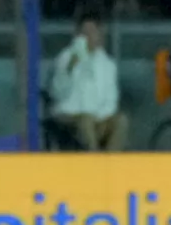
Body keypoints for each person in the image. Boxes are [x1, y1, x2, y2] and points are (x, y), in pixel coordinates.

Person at [49, 14, 126, 152]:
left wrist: (99, 119)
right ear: (77, 36)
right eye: (84, 33)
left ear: (100, 36)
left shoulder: (108, 64)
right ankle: (93, 166)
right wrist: (70, 68)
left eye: (92, 32)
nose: (88, 37)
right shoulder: (65, 58)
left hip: (98, 118)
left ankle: (112, 166)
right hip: (70, 116)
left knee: (121, 121)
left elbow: (111, 100)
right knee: (86, 119)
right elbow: (57, 93)